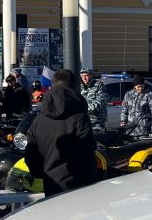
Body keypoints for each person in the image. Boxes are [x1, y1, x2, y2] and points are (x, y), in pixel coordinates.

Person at [24, 68, 96, 197]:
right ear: (75, 89)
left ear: (50, 88)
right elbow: (86, 155)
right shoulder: (80, 118)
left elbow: (31, 154)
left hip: (50, 183)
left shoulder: (38, 120)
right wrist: (90, 182)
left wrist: (40, 173)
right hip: (76, 186)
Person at [80, 68, 107, 134]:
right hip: (83, 120)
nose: (84, 78)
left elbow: (101, 101)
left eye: (86, 75)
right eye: (82, 76)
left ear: (91, 75)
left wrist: (87, 110)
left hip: (96, 121)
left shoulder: (99, 85)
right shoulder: (80, 87)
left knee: (96, 138)